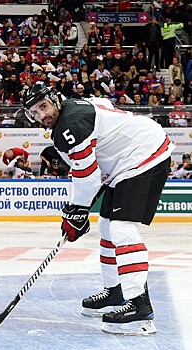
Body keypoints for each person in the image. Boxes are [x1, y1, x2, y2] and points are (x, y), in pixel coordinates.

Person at [22, 82, 174, 335]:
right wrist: (77, 210)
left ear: (55, 100)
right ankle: (116, 292)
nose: (42, 115)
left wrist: (76, 211)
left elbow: (87, 177)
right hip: (124, 163)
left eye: (43, 107)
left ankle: (139, 307)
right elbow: (104, 106)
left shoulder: (70, 124)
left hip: (144, 154)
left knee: (123, 228)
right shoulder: (73, 111)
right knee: (106, 226)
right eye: (35, 113)